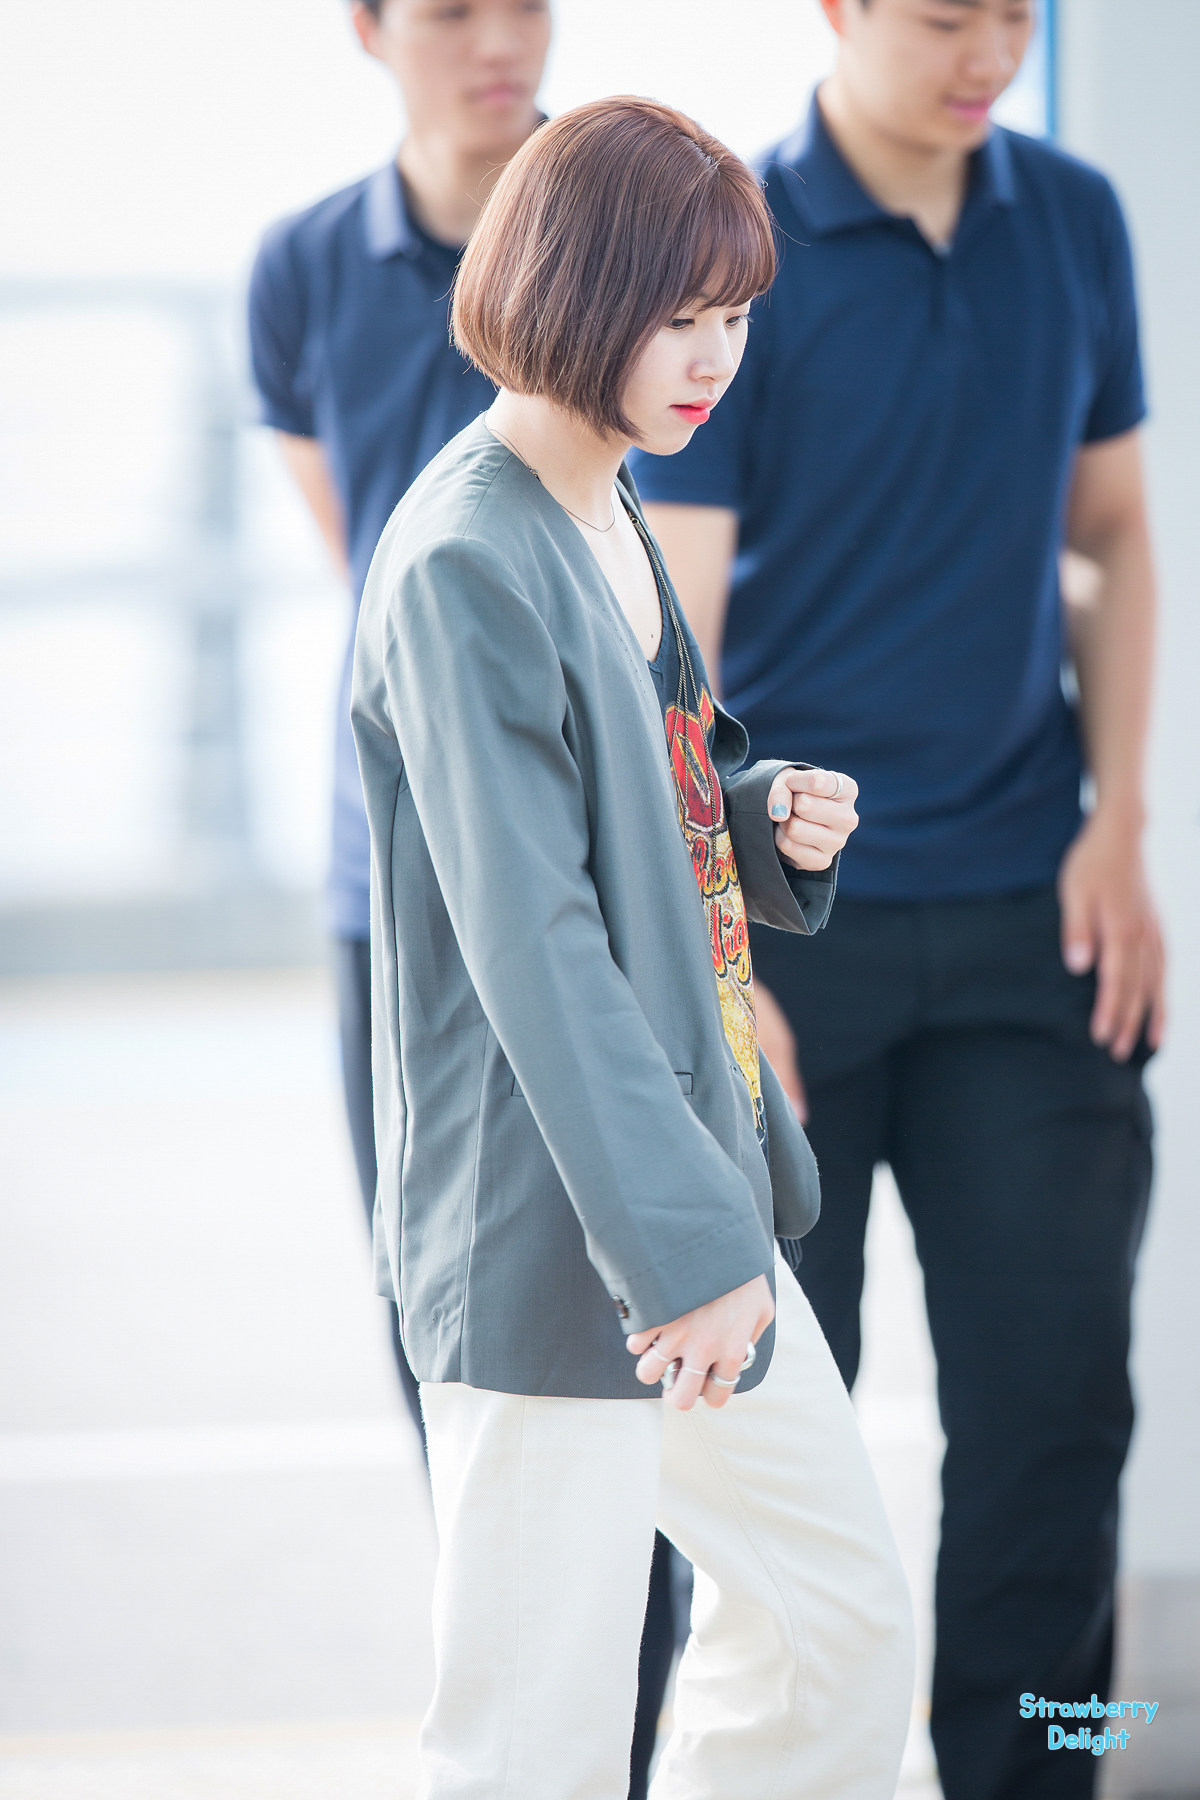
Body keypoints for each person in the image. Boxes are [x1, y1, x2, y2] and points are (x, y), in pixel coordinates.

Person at [351, 96, 914, 1800]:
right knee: (536, 1734)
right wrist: (681, 1248)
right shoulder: (469, 554)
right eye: (679, 315)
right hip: (555, 1231)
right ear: (575, 290)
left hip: (683, 1183)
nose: (716, 357)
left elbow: (627, 810)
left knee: (835, 1627)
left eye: (734, 315)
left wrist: (751, 818)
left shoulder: (601, 504)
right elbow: (534, 940)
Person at [630, 4, 1163, 1798]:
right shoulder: (732, 249)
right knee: (768, 1440)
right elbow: (667, 644)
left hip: (1031, 917)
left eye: (1019, 11)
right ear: (844, 9)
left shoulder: (1073, 218)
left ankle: (1051, 1771)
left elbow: (1115, 534)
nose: (990, 49)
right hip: (797, 939)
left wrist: (1122, 826)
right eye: (946, 13)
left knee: (1059, 1420)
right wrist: (718, 958)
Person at [247, 10, 694, 1785]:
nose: (500, 36)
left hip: (615, 875)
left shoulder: (640, 227)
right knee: (479, 1358)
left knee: (651, 1371)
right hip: (405, 892)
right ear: (366, 27)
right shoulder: (304, 271)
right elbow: (359, 550)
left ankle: (614, 1751)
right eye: (449, 4)